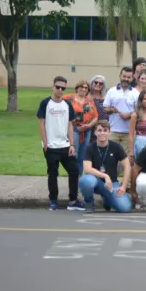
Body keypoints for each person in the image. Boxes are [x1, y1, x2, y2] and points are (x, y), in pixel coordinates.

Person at [37, 76, 84, 211]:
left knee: (74, 171)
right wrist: (45, 142)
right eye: (57, 87)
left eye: (63, 88)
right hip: (51, 146)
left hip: (65, 145)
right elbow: (41, 123)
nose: (60, 90)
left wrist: (72, 144)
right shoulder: (45, 103)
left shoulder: (67, 104)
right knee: (53, 174)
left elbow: (70, 125)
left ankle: (73, 200)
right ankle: (53, 201)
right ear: (53, 87)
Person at [79, 120, 132, 213]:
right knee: (85, 181)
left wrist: (123, 186)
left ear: (109, 132)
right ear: (95, 132)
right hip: (96, 182)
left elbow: (127, 166)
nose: (102, 133)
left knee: (125, 208)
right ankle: (89, 203)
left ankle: (107, 200)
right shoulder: (90, 147)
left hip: (112, 184)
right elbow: (87, 168)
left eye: (105, 130)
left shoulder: (116, 147)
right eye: (99, 130)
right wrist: (105, 176)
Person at [103, 67, 139, 157]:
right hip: (113, 131)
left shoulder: (136, 93)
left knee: (126, 159)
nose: (126, 79)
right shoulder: (111, 91)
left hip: (129, 132)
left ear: (132, 78)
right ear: (120, 76)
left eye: (128, 77)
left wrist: (129, 115)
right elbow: (105, 109)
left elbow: (139, 112)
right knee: (111, 157)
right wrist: (112, 110)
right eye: (124, 76)